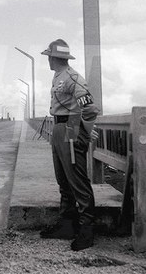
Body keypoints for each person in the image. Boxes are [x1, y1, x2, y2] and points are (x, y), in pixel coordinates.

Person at [39, 39, 100, 251]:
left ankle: (86, 230)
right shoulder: (57, 77)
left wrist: (78, 132)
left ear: (54, 58)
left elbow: (89, 108)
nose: (47, 59)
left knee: (78, 181)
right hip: (58, 129)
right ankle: (67, 225)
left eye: (49, 56)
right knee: (63, 180)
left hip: (69, 131)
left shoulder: (74, 78)